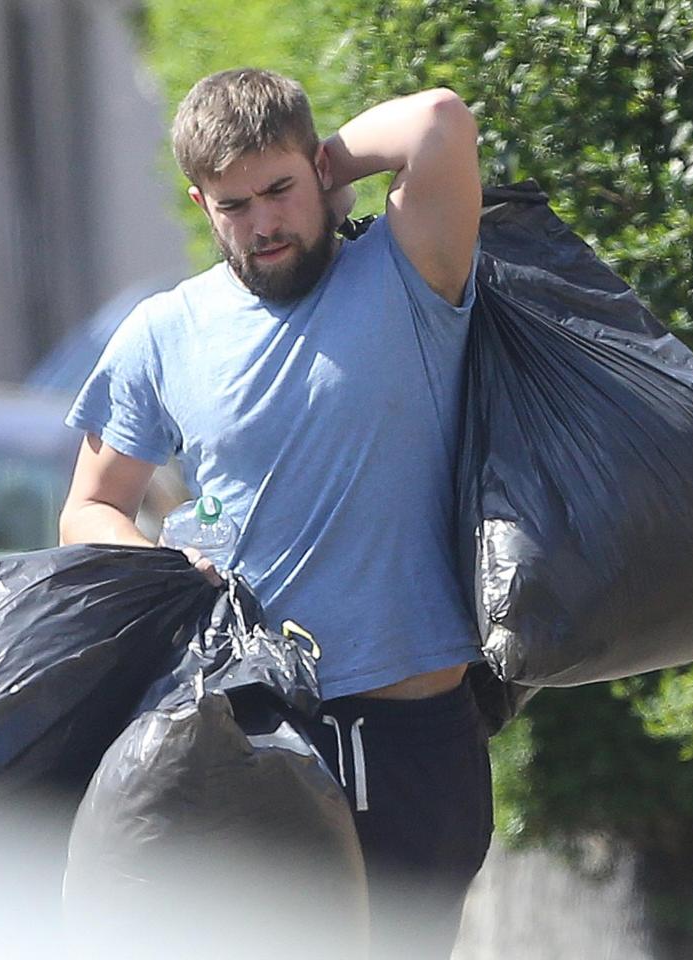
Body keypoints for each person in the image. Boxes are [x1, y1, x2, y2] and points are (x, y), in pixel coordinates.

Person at [59, 67, 490, 956]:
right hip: (247, 736)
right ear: (200, 205)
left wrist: (333, 165)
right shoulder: (163, 332)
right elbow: (91, 510)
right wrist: (162, 564)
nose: (263, 224)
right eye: (233, 206)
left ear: (320, 171)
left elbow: (440, 122)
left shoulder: (408, 272)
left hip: (410, 734)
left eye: (281, 189)